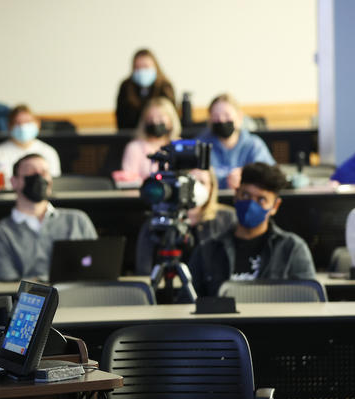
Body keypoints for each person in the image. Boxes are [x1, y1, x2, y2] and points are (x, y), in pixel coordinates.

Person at [188, 162, 316, 298]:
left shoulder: (291, 249)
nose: (250, 204)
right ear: (236, 195)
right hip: (222, 320)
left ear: (275, 206)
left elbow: (309, 301)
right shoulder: (208, 250)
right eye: (245, 195)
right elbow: (187, 304)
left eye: (261, 200)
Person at [0, 153, 97, 281]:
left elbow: (97, 268)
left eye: (44, 173)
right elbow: (5, 284)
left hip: (79, 298)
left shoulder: (77, 220)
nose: (39, 178)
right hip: (29, 300)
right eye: (31, 172)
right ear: (14, 182)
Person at [135, 167, 236, 275]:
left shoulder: (226, 218)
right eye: (190, 181)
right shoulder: (157, 222)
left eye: (202, 182)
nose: (195, 188)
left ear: (212, 188)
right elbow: (144, 270)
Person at [198, 93, 275, 189]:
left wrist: (245, 178)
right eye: (215, 116)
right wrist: (225, 180)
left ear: (239, 117)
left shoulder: (254, 145)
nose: (221, 120)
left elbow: (270, 176)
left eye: (226, 115)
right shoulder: (200, 145)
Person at [0, 104, 61, 189]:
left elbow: (53, 182)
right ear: (9, 126)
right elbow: (1, 184)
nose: (23, 127)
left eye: (27, 122)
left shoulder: (49, 151)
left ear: (37, 124)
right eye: (18, 123)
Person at [113, 97, 182, 185]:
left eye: (160, 117)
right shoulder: (134, 147)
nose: (155, 121)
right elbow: (129, 183)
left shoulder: (179, 146)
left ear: (171, 120)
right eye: (150, 118)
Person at [115, 49, 175, 130]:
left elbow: (171, 117)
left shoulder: (165, 87)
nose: (142, 71)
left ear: (155, 67)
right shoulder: (126, 87)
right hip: (131, 135)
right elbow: (121, 118)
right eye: (138, 67)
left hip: (160, 135)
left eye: (146, 67)